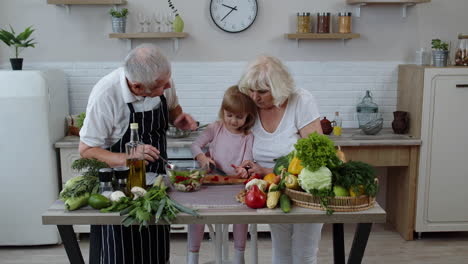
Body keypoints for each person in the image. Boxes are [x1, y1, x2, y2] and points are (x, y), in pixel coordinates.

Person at [79, 43, 197, 264]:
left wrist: (178, 118)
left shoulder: (162, 80)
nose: (168, 86)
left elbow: (173, 108)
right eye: (161, 86)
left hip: (156, 188)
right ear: (136, 86)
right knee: (122, 254)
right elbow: (86, 150)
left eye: (167, 81)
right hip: (119, 189)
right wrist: (127, 157)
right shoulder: (106, 94)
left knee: (156, 253)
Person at [238, 55, 323, 264]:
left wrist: (268, 170)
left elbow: (315, 156)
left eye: (262, 91)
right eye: (251, 90)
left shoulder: (301, 101)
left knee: (304, 254)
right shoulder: (249, 107)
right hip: (273, 190)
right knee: (281, 251)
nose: (255, 97)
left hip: (305, 191)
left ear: (278, 88)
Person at [188, 85, 257, 264]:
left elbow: (247, 160)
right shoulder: (215, 128)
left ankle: (238, 257)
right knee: (196, 213)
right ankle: (192, 256)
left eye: (239, 117)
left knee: (241, 216)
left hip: (235, 185)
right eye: (229, 115)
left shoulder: (247, 136)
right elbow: (195, 145)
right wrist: (203, 158)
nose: (233, 121)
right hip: (212, 183)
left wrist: (244, 169)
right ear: (223, 111)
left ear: (248, 116)